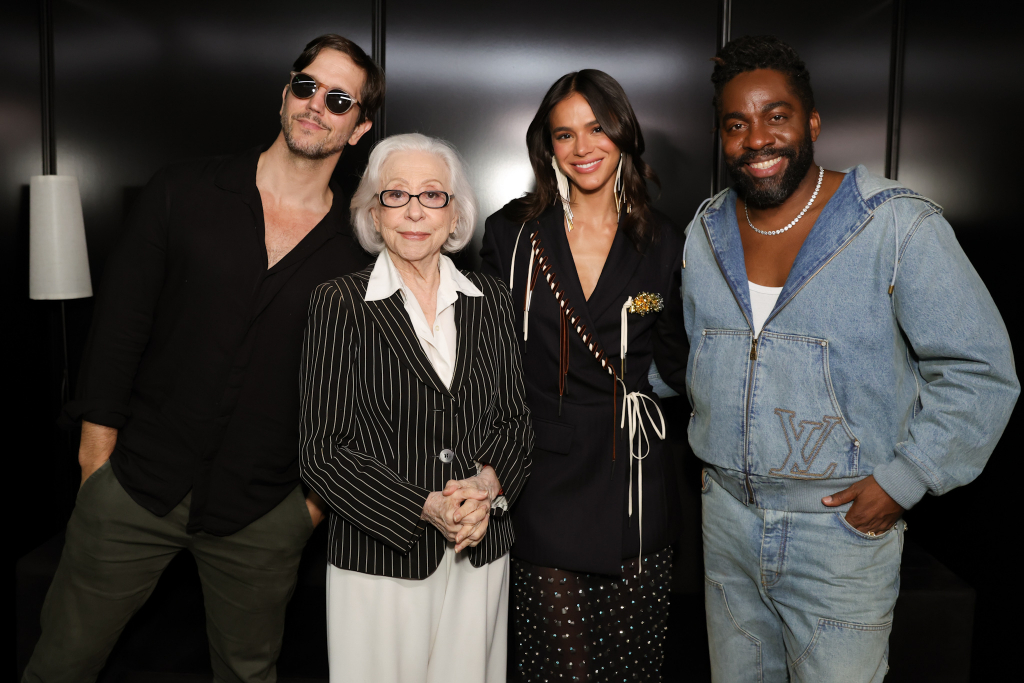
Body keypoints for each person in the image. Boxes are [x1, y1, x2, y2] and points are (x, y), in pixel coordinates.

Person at [23, 34, 383, 683]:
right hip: (135, 486)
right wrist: (95, 463)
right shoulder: (181, 191)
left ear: (358, 128)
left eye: (338, 100)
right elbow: (118, 332)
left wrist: (310, 510)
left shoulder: (361, 254)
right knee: (62, 663)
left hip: (263, 510)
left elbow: (359, 393)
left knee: (248, 674)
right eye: (305, 86)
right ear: (283, 93)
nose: (315, 106)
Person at [662, 35, 1019, 682]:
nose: (758, 139)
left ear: (812, 123)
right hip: (727, 528)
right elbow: (692, 357)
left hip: (839, 537)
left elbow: (979, 369)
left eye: (778, 116)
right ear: (721, 137)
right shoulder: (705, 230)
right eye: (737, 124)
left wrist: (906, 478)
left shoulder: (894, 225)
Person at [299, 132, 533, 683]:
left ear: (455, 217)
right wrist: (423, 506)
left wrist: (486, 488)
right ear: (373, 215)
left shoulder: (492, 299)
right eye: (395, 195)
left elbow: (516, 422)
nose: (413, 211)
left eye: (432, 195)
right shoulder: (338, 304)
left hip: (480, 550)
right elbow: (321, 454)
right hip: (379, 557)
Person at [480, 70, 687, 682]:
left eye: (597, 128)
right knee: (558, 668)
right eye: (564, 134)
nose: (583, 147)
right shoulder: (512, 233)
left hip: (638, 478)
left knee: (629, 667)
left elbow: (679, 359)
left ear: (623, 133)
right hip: (544, 475)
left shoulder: (665, 240)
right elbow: (487, 360)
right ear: (547, 146)